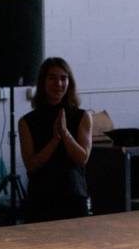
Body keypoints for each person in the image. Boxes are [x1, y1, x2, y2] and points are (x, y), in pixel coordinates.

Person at [20, 56, 93, 223]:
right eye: (52, 78)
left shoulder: (83, 116)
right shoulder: (27, 121)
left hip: (73, 197)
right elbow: (31, 165)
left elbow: (82, 158)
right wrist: (55, 139)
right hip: (41, 199)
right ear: (43, 82)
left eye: (63, 78)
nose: (58, 83)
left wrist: (65, 134)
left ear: (69, 82)